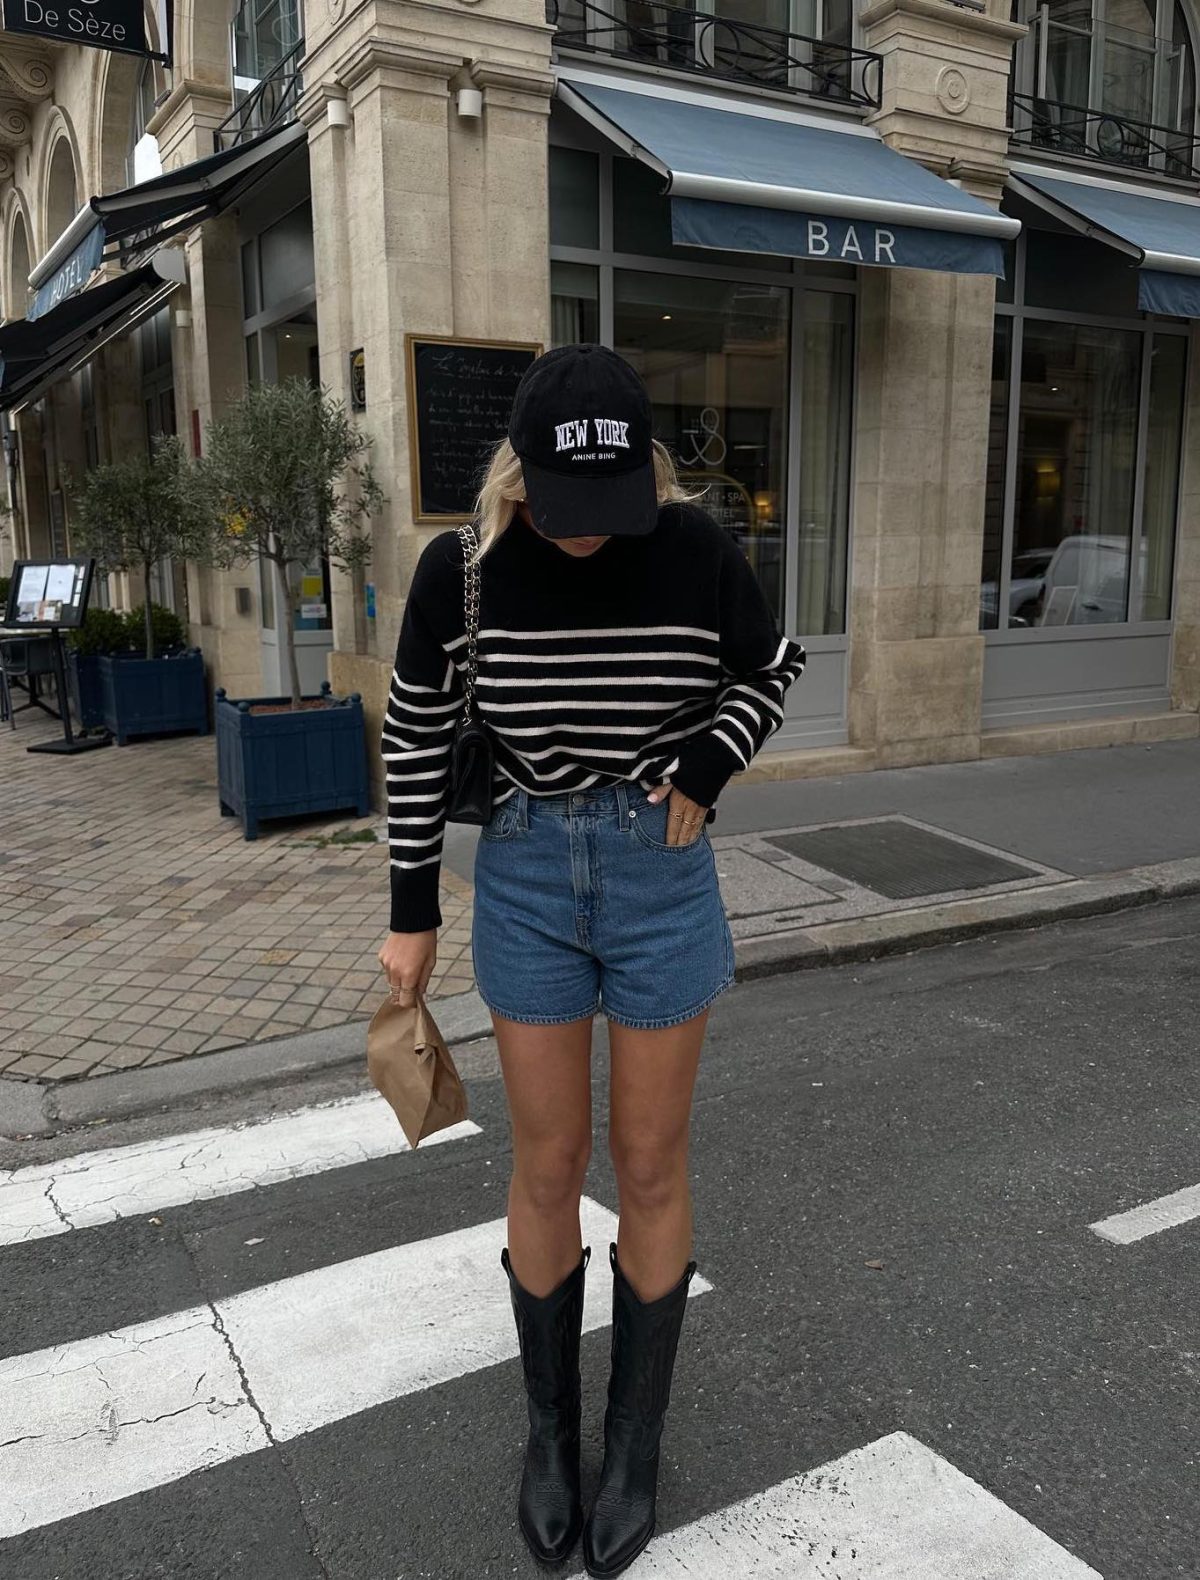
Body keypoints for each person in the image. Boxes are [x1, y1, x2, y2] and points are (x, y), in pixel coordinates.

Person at [378, 345, 805, 1577]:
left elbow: (770, 666)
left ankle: (634, 1444)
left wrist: (709, 764)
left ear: (642, 474)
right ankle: (551, 1436)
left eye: (606, 511)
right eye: (564, 514)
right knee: (548, 1157)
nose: (584, 539)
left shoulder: (695, 547)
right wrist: (412, 911)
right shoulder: (461, 569)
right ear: (520, 476)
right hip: (523, 872)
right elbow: (414, 735)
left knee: (651, 1158)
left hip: (661, 876)